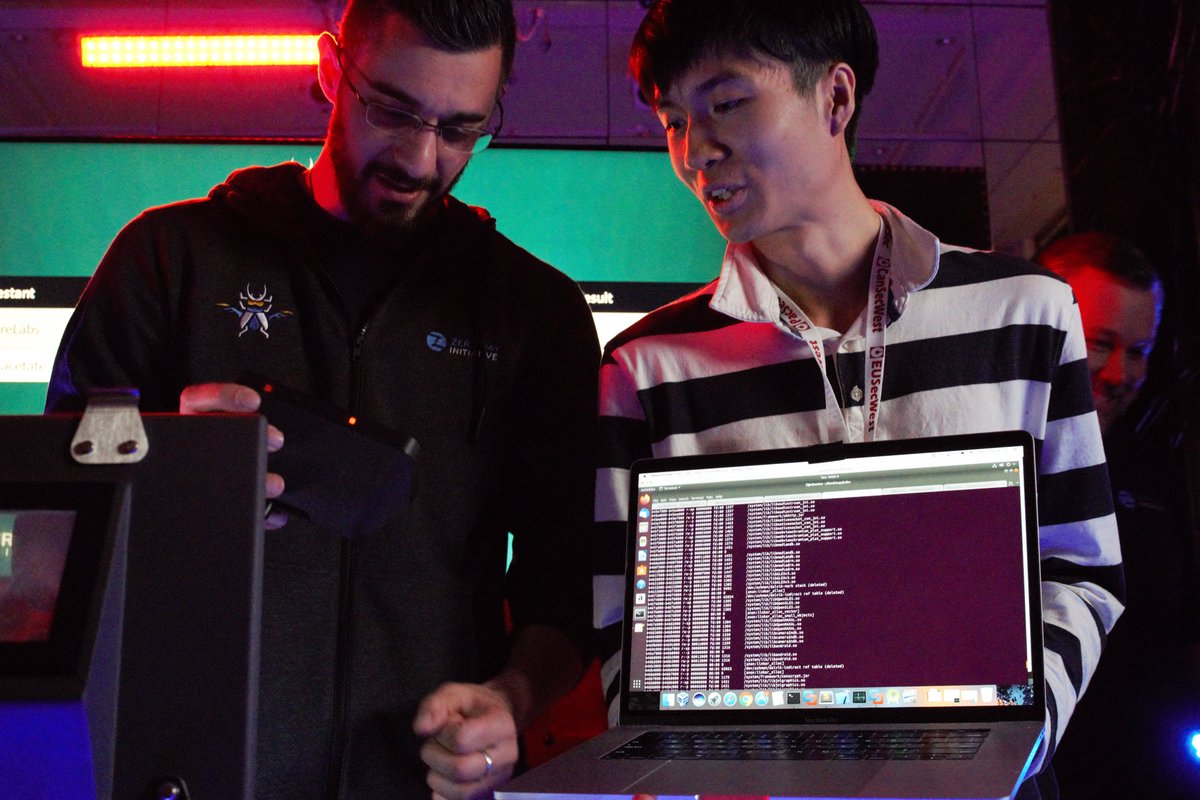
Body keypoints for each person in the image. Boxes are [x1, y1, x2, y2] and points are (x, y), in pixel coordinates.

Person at [45, 1, 600, 798]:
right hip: (189, 775)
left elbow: (563, 588)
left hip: (419, 782)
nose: (420, 159)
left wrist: (511, 702)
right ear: (332, 68)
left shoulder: (533, 312)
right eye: (393, 111)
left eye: (460, 130)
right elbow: (51, 543)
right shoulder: (170, 262)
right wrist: (169, 472)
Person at [591, 1, 1123, 796]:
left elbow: (1080, 568)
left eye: (726, 102)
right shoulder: (647, 365)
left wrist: (1001, 744)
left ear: (835, 97)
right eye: (673, 121)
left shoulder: (1024, 311)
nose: (694, 151)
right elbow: (622, 636)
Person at [1037, 232, 1200, 799]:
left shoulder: (1157, 469)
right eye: (1101, 344)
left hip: (1157, 767)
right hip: (1046, 770)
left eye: (1139, 351)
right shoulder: (995, 463)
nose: (1119, 372)